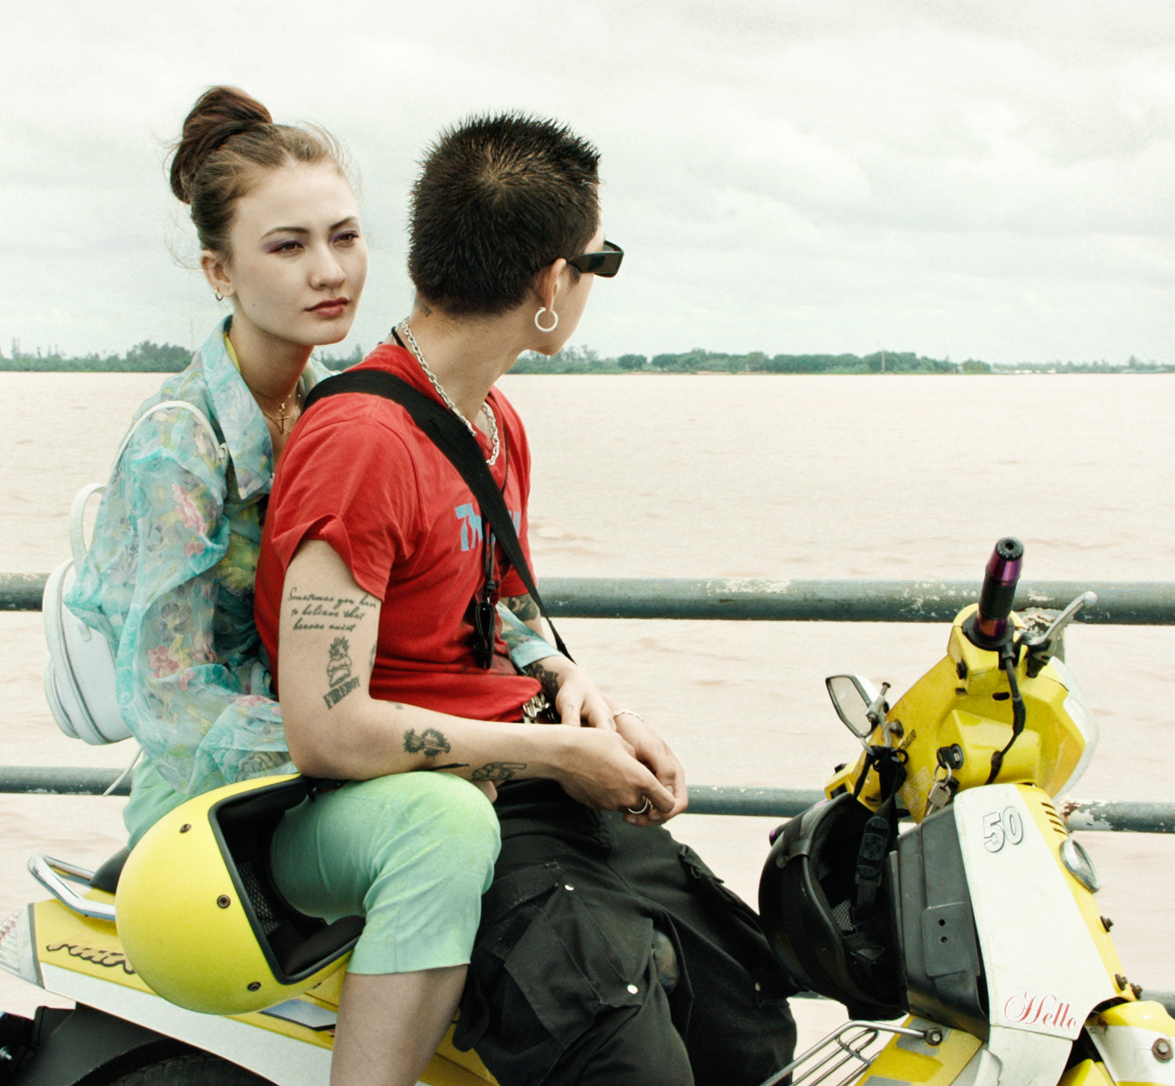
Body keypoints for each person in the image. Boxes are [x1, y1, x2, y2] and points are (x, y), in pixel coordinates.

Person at [257, 113, 798, 1086]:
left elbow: (493, 614)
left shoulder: (493, 424)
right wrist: (561, 753)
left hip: (532, 777)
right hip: (431, 802)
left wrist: (583, 694)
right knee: (626, 1067)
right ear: (551, 284)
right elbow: (325, 729)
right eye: (600, 263)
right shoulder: (362, 445)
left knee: (745, 1021)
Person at [66, 87, 568, 1086]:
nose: (330, 271)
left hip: (332, 764)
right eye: (287, 247)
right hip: (225, 803)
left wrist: (540, 667)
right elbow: (169, 697)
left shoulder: (335, 405)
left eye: (344, 237)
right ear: (219, 271)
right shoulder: (181, 445)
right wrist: (362, 746)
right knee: (447, 822)